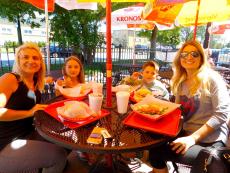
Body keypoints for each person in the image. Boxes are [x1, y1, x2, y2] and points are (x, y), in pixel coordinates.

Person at [149, 40, 230, 173]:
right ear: (179, 59)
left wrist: (192, 138)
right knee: (154, 145)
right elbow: (178, 111)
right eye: (184, 54)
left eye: (194, 54)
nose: (189, 57)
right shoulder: (181, 81)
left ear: (201, 58)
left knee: (203, 163)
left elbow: (222, 114)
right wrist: (157, 109)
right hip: (185, 133)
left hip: (210, 141)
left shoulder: (212, 79)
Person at [0, 42, 67, 173]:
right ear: (18, 60)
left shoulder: (34, 83)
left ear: (40, 62)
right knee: (59, 156)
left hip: (28, 134)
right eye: (25, 57)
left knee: (64, 141)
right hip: (6, 143)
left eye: (35, 58)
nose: (31, 61)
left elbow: (34, 106)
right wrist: (28, 112)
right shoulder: (10, 79)